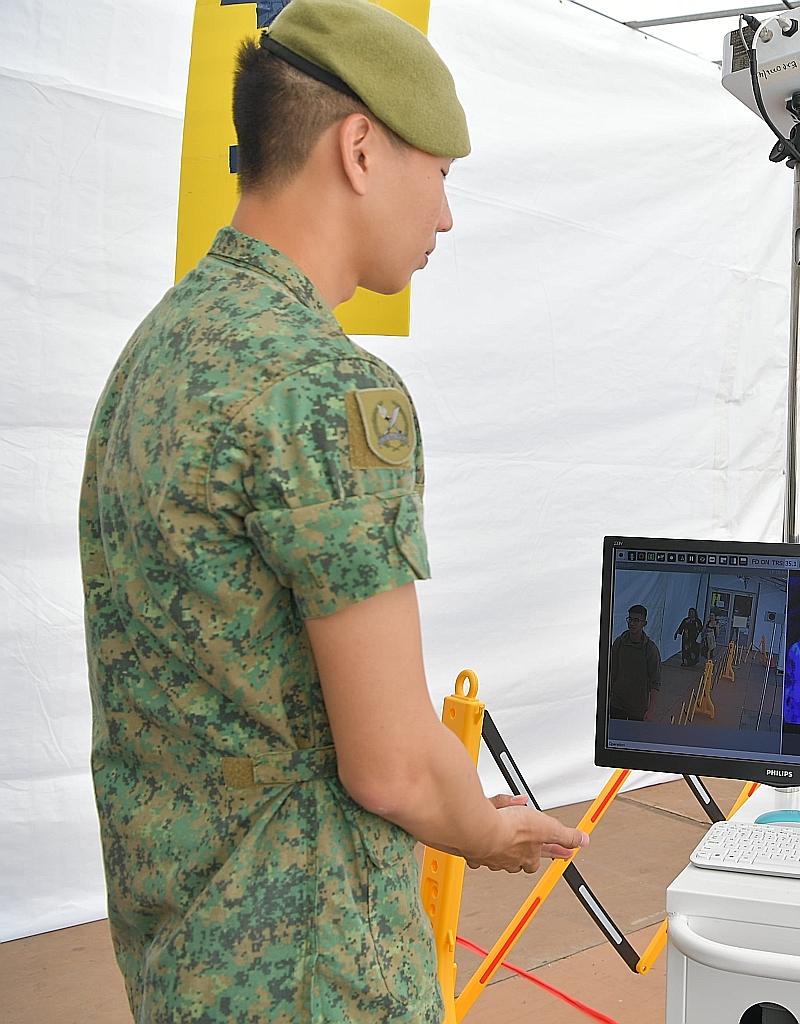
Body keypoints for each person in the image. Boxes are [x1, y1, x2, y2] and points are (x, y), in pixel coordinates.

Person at [77, 3, 587, 1019]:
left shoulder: (154, 356)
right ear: (360, 148)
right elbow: (394, 763)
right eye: (439, 171)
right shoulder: (327, 389)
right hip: (317, 969)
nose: (445, 214)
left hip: (182, 956)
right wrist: (486, 832)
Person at [610, 605, 662, 721]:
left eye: (636, 620)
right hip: (617, 703)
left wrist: (651, 710)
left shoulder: (650, 649)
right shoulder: (619, 643)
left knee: (633, 737)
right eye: (630, 619)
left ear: (644, 623)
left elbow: (655, 682)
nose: (632, 623)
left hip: (638, 707)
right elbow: (611, 672)